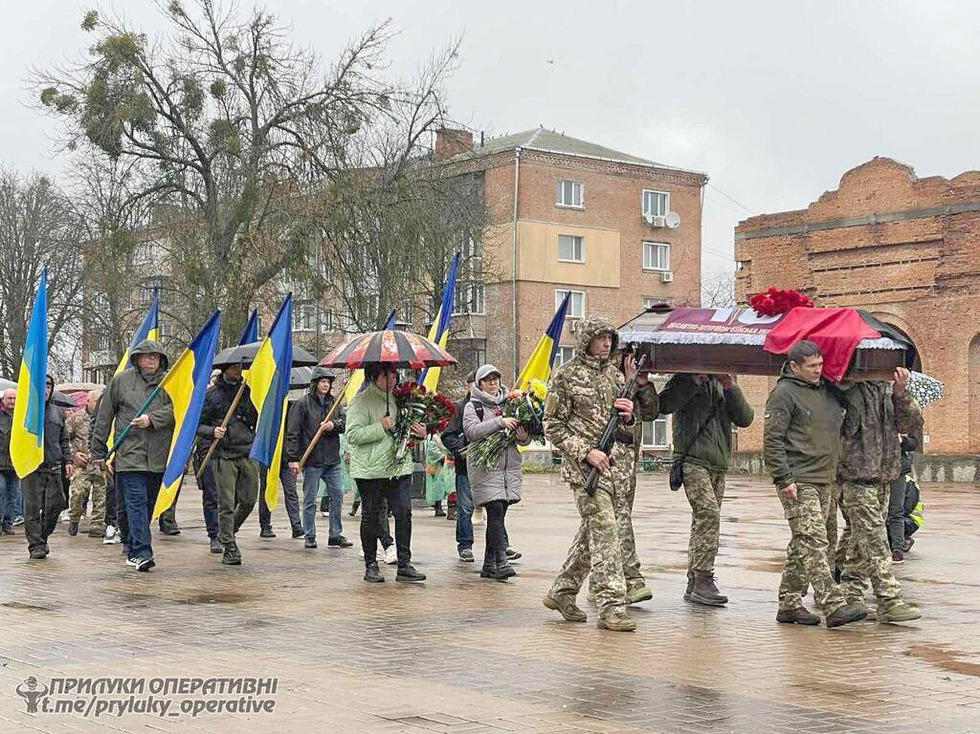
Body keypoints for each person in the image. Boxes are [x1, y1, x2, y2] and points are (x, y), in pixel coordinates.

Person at [543, 316, 640, 632]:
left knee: (591, 535)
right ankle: (612, 607)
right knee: (607, 535)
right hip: (584, 472)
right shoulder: (566, 375)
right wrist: (586, 451)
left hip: (615, 470)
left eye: (610, 338)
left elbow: (627, 425)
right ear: (586, 340)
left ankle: (562, 591)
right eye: (601, 338)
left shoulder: (615, 376)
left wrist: (629, 416)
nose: (607, 344)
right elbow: (552, 425)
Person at [763, 340, 866, 628]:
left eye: (820, 365)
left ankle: (789, 603)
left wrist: (844, 388)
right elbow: (772, 440)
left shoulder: (828, 391)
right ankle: (833, 604)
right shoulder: (783, 394)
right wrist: (783, 478)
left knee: (809, 542)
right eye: (811, 366)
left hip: (826, 479)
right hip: (799, 480)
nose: (817, 370)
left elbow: (852, 418)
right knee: (813, 541)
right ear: (794, 366)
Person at [834, 369, 922, 623]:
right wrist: (849, 381)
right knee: (875, 538)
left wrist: (900, 394)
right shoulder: (845, 386)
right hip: (854, 476)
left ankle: (851, 594)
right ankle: (889, 599)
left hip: (884, 476)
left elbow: (911, 424)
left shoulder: (888, 389)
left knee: (860, 539)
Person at [659, 372, 754, 606]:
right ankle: (703, 577)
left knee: (703, 520)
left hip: (718, 463)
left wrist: (730, 386)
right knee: (708, 514)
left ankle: (694, 581)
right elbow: (665, 404)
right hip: (692, 459)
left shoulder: (725, 383)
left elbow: (745, 418)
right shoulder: (683, 378)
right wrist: (694, 381)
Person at [92, 340, 175, 572]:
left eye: (156, 356)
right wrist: (98, 451)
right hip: (129, 454)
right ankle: (142, 552)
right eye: (147, 356)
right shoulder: (121, 381)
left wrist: (152, 419)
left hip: (158, 455)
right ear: (137, 358)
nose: (151, 359)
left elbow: (180, 409)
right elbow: (104, 416)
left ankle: (131, 542)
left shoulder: (170, 381)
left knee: (147, 506)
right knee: (135, 503)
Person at [588, 350, 659, 605]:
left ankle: (598, 581)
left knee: (608, 524)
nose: (631, 363)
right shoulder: (605, 380)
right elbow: (611, 414)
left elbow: (652, 412)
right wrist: (627, 383)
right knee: (619, 520)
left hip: (629, 463)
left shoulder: (635, 384)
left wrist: (643, 385)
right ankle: (632, 579)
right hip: (608, 460)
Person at [346, 363, 427, 583]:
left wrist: (420, 433)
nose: (392, 379)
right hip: (370, 470)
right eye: (386, 376)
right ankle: (371, 565)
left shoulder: (401, 399)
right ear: (374, 377)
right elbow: (352, 435)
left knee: (404, 513)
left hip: (399, 467)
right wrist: (380, 426)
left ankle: (404, 564)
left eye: (394, 375)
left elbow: (406, 429)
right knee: (372, 516)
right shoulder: (360, 401)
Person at [463, 364, 530, 580]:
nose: (493, 383)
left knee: (498, 517)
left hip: (508, 470)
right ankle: (501, 562)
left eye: (495, 378)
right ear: (480, 383)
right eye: (488, 379)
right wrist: (500, 422)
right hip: (486, 468)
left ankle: (489, 565)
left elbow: (523, 438)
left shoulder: (510, 404)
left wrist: (523, 437)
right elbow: (472, 432)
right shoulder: (473, 406)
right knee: (495, 512)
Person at [197, 361, 260, 566]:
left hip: (245, 450)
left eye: (240, 368)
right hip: (223, 454)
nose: (237, 371)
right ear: (225, 370)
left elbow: (253, 418)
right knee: (225, 502)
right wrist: (212, 431)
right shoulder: (212, 395)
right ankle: (229, 545)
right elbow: (197, 424)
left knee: (249, 499)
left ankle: (228, 531)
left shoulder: (245, 391)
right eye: (234, 368)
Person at [286, 367, 352, 550]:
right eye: (323, 381)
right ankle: (310, 535)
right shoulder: (302, 404)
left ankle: (335, 534)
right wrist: (293, 458)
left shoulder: (334, 403)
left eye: (328, 382)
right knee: (310, 499)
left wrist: (333, 425)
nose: (326, 385)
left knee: (337, 495)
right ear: (315, 383)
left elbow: (344, 423)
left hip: (332, 458)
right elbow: (293, 432)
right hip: (312, 459)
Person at [22, 376, 73, 559]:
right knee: (32, 508)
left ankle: (42, 537)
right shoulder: (25, 411)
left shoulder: (57, 412)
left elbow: (64, 439)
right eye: (42, 385)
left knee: (57, 504)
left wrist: (68, 460)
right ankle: (36, 545)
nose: (45, 389)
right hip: (31, 467)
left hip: (53, 465)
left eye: (49, 386)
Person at [441, 370, 477, 561]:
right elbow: (447, 436)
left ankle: (501, 545)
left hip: (490, 469)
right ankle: (465, 544)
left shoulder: (494, 406)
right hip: (466, 467)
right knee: (465, 508)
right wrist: (463, 451)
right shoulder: (460, 408)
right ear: (469, 386)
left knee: (496, 508)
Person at [65, 389, 107, 538]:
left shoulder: (107, 419)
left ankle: (97, 525)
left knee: (100, 496)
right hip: (81, 464)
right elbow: (64, 439)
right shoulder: (76, 419)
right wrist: (74, 454)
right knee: (78, 493)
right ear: (88, 402)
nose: (100, 404)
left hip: (100, 464)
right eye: (97, 401)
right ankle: (74, 518)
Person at [887, 435, 921, 560]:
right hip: (871, 469)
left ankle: (898, 548)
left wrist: (901, 440)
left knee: (895, 512)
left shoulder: (909, 483)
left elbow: (914, 442)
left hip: (909, 521)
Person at [0, 388, 23, 534]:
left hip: (15, 464)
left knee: (12, 494)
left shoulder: (21, 416)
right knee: (1, 490)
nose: (12, 401)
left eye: (15, 398)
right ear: (3, 400)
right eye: (9, 398)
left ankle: (7, 522)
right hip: (0, 462)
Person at [424, 435, 453, 518]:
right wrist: (444, 456)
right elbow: (432, 452)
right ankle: (438, 507)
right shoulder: (433, 437)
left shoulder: (438, 436)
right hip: (436, 467)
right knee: (437, 487)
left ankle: (439, 507)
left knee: (441, 488)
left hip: (441, 467)